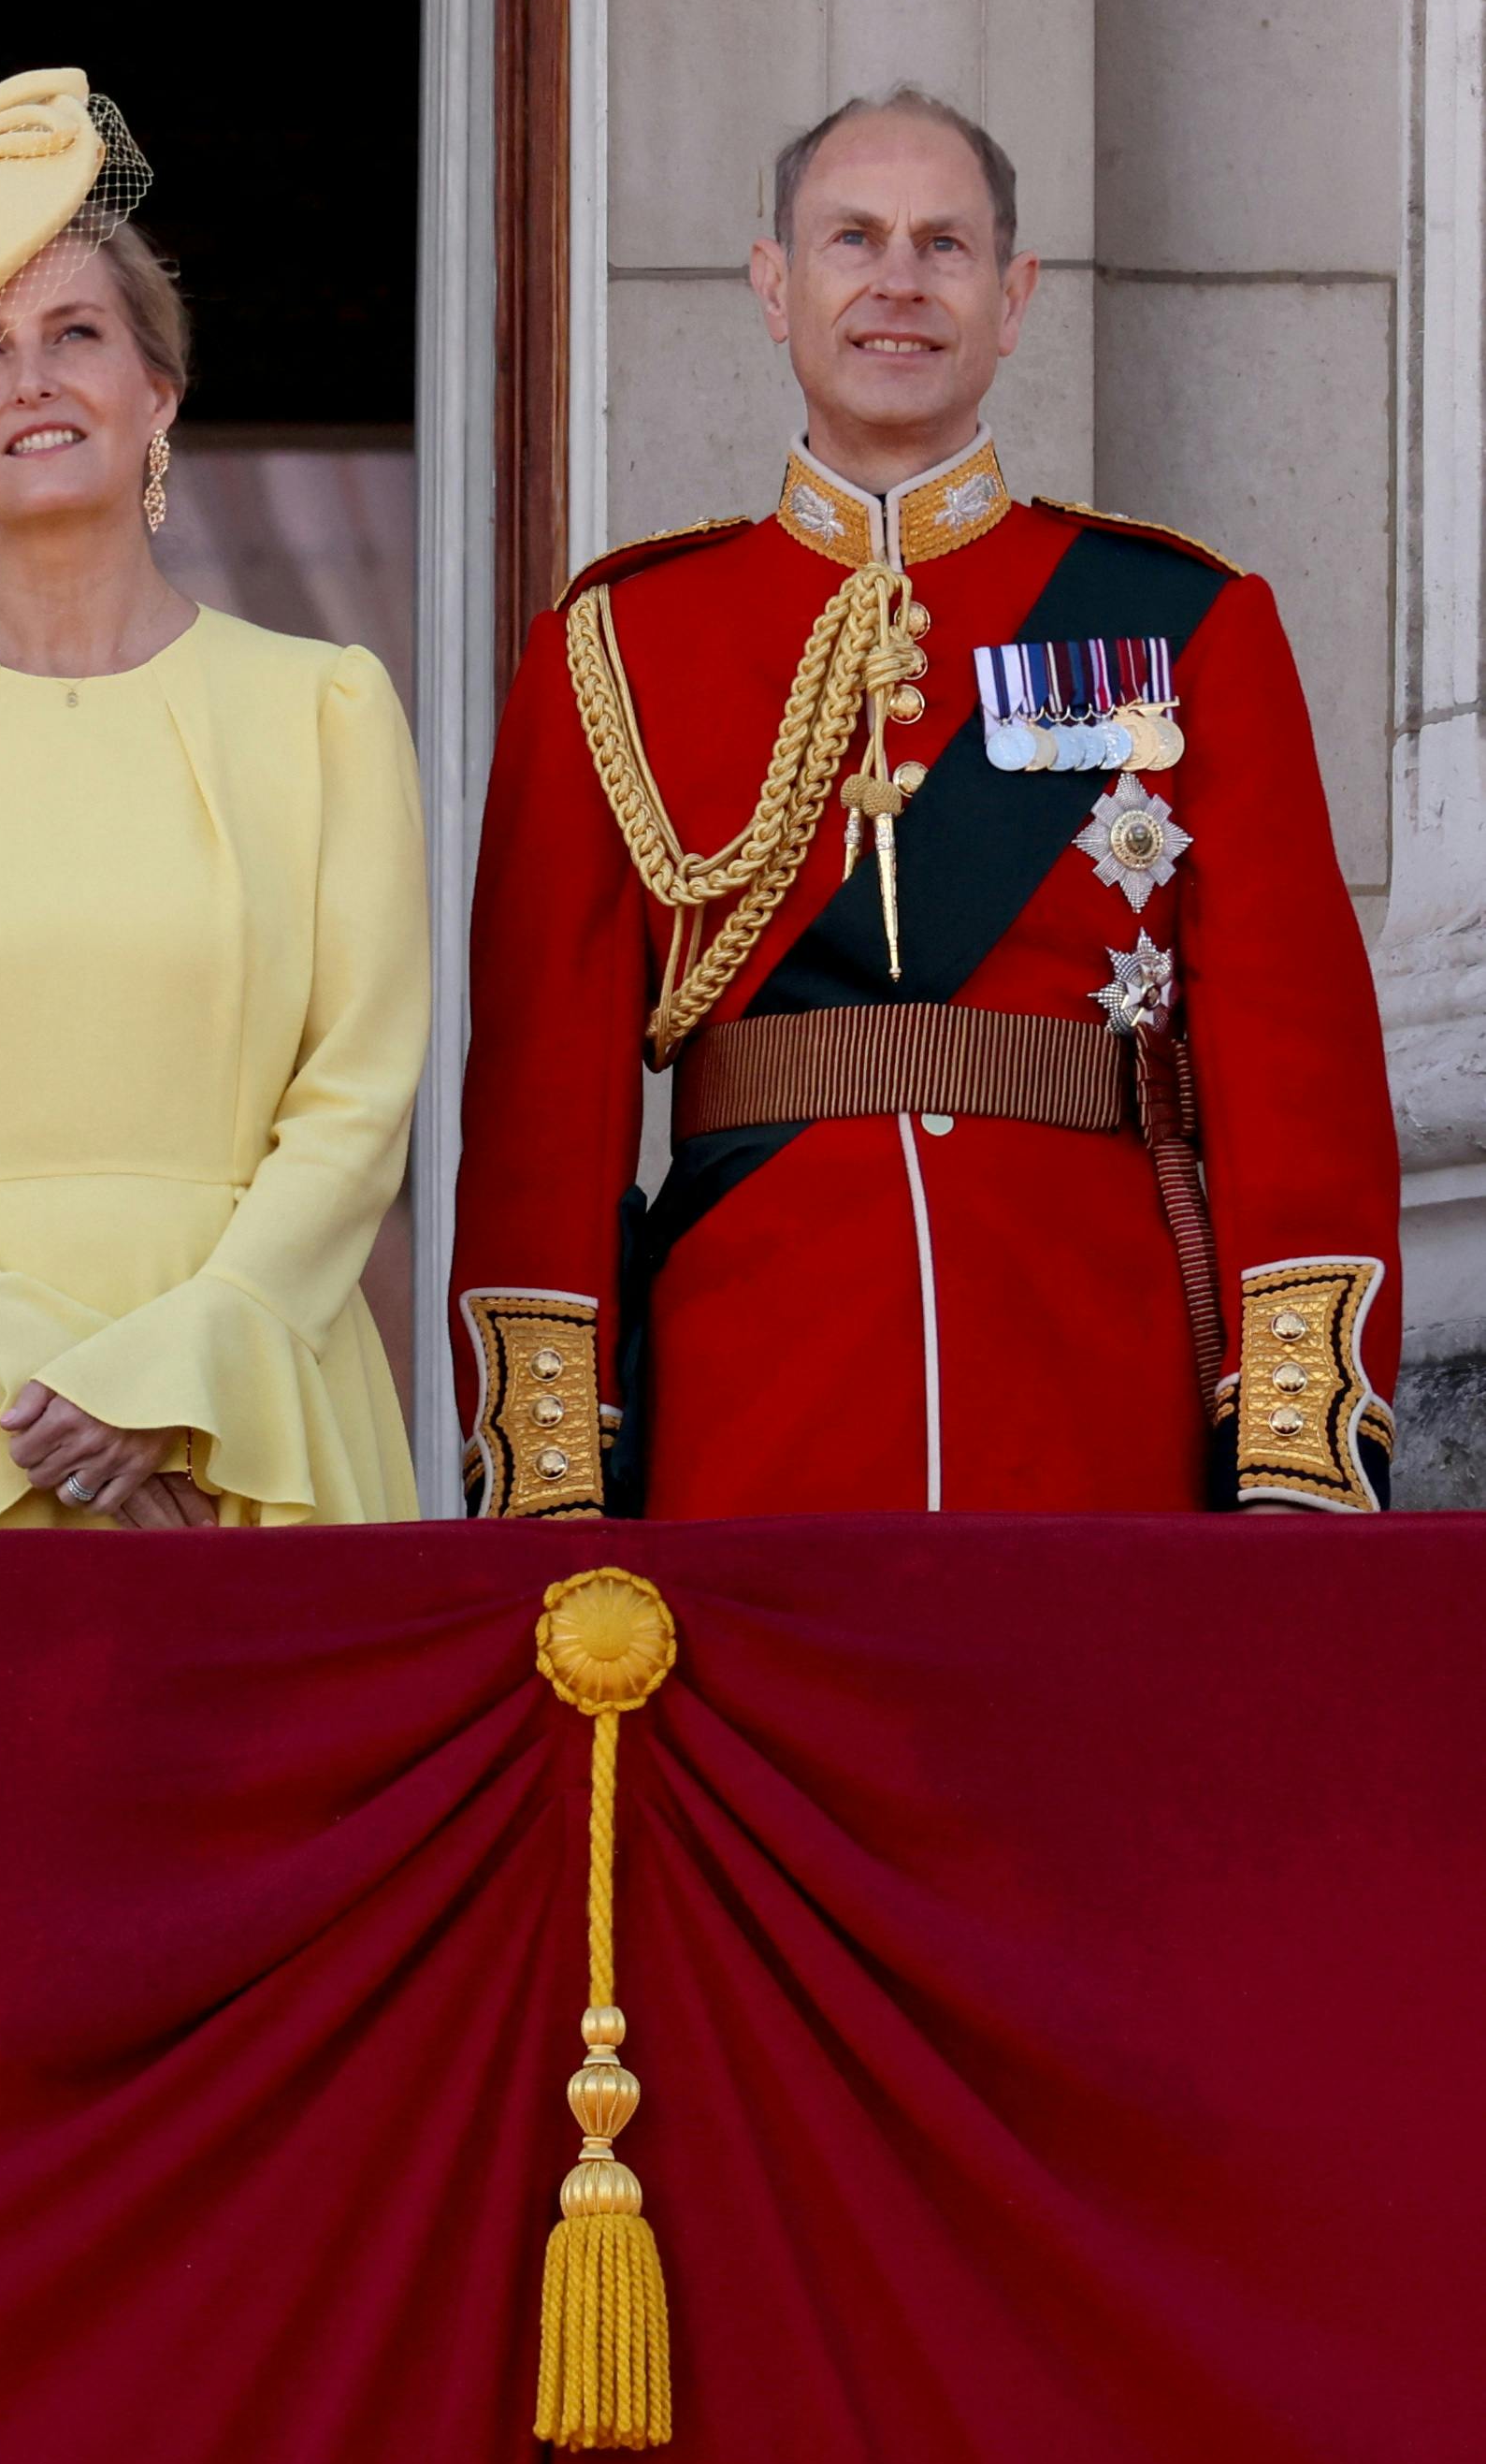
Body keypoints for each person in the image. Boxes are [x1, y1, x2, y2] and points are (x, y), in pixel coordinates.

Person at [451, 88, 1399, 1514]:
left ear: (1013, 298)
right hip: (754, 1402)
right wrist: (549, 1479)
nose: (899, 280)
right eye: (853, 239)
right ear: (775, 285)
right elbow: (542, 1114)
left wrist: (1294, 1460)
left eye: (944, 244)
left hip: (1097, 1388)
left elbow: (1295, 1067)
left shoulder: (1182, 620)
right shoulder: (619, 644)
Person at [0, 69, 426, 1529]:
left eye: (76, 334)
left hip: (250, 1414)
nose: (33, 378)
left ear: (156, 390)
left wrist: (181, 1373)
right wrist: (50, 1391)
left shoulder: (326, 713)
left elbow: (361, 1095)